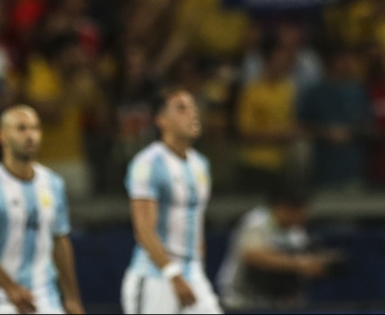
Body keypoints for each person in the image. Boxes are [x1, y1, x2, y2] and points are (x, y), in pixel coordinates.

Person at [0, 105, 85, 314]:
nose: (30, 135)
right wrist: (11, 288)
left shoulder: (53, 184)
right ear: (2, 136)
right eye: (21, 128)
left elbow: (60, 241)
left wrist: (72, 298)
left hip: (45, 300)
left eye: (35, 128)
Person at [121, 88, 221, 314]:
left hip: (192, 273)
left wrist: (197, 269)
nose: (192, 114)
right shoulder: (147, 164)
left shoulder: (201, 165)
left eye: (194, 108)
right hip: (155, 276)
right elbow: (144, 230)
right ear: (162, 120)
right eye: (181, 108)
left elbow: (197, 222)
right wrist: (172, 275)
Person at [217, 184, 344, 310]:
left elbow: (305, 258)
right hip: (242, 300)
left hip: (279, 302)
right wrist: (302, 264)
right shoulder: (257, 222)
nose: (304, 215)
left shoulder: (296, 231)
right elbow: (253, 256)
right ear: (282, 207)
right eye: (298, 209)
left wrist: (319, 260)